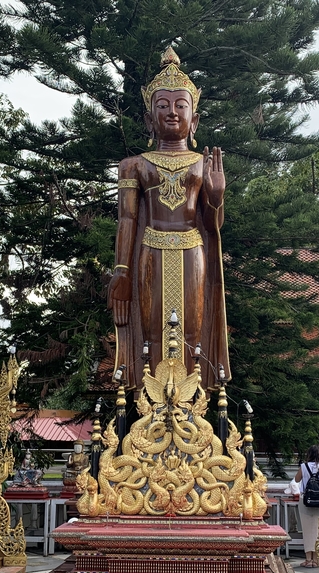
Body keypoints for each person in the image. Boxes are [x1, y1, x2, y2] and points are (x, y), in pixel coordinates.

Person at [108, 47, 229, 388]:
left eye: (180, 106)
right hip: (151, 252)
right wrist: (121, 272)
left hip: (192, 251)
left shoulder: (202, 165)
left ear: (195, 119)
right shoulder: (135, 165)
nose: (172, 113)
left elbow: (211, 226)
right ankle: (152, 409)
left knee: (191, 331)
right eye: (162, 106)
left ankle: (190, 406)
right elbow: (128, 219)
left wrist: (216, 198)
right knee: (152, 333)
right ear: (149, 119)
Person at [291, 445, 319, 568]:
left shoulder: (303, 467)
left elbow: (297, 480)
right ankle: (318, 558)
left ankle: (309, 559)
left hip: (306, 499)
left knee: (308, 529)